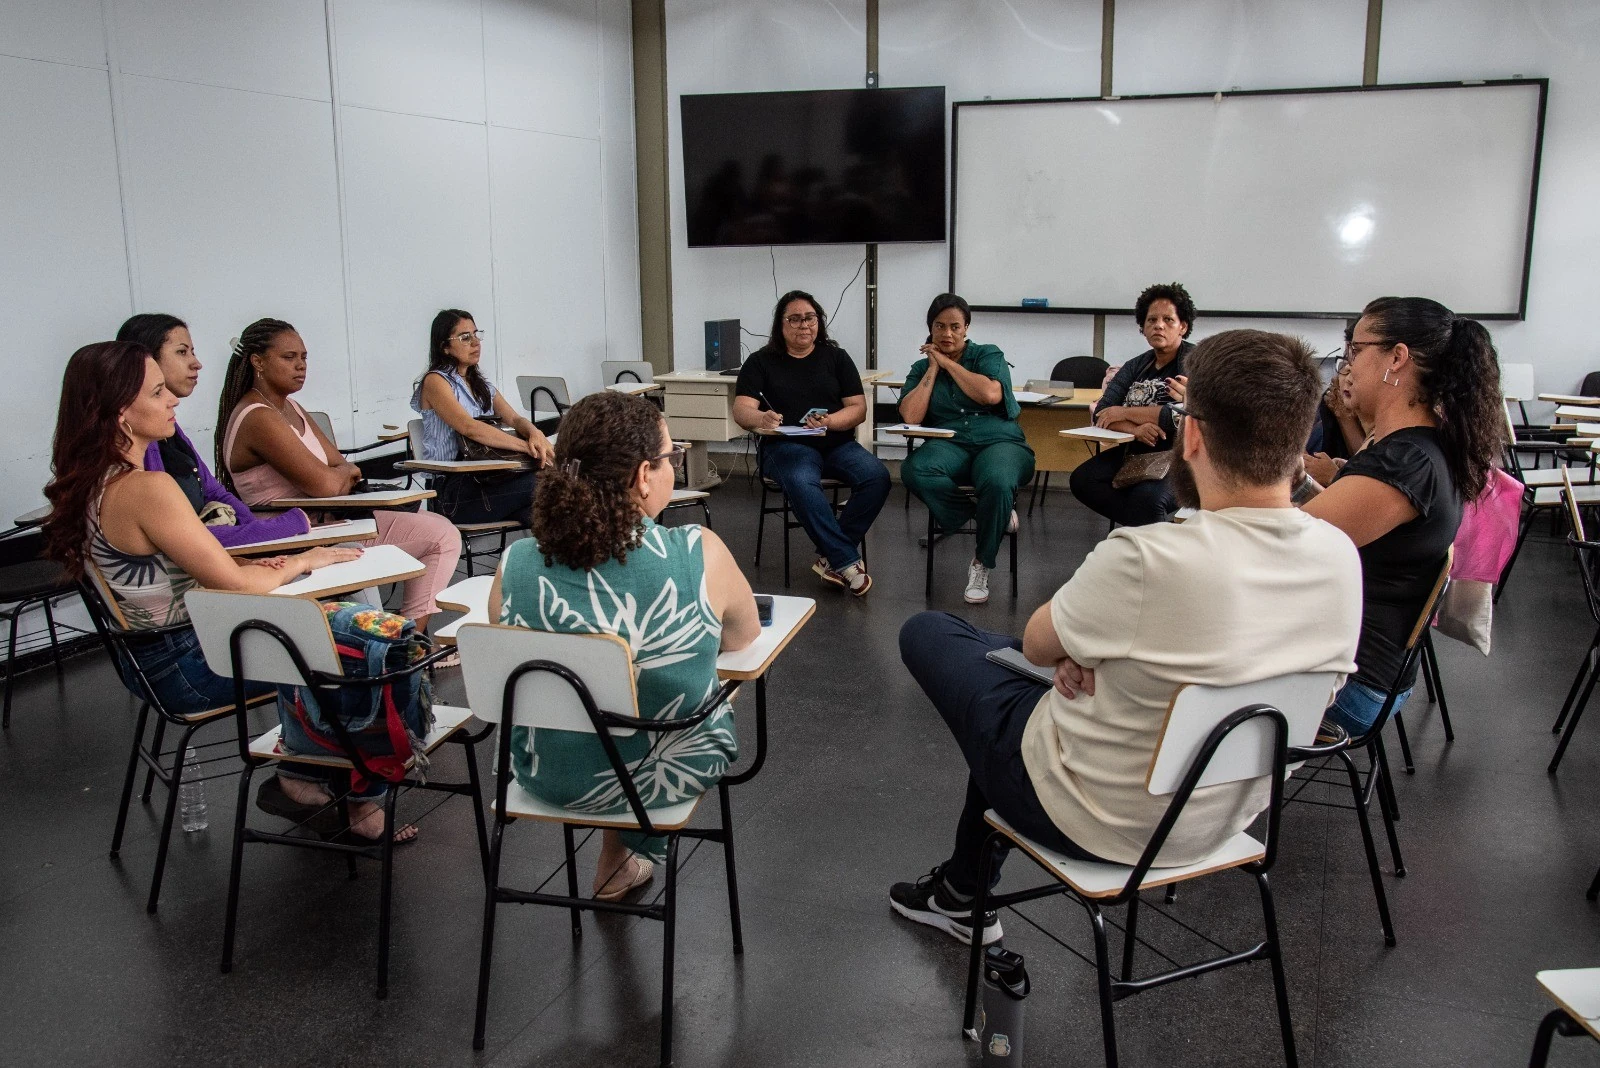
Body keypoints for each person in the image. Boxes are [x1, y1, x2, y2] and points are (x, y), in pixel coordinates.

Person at [889, 329, 1361, 946]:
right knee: (1021, 705)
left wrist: (1084, 657)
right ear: (1300, 442)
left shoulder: (1148, 556)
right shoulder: (1340, 555)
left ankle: (962, 896)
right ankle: (960, 890)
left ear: (1190, 435)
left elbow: (1036, 645)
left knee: (937, 636)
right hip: (1225, 822)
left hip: (1098, 821)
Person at [41, 342, 417, 842]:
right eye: (158, 392)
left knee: (330, 627)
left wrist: (263, 567)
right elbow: (236, 583)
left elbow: (195, 568)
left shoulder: (95, 483)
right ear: (119, 415)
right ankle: (352, 799)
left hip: (150, 664)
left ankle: (305, 775)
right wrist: (303, 560)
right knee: (366, 646)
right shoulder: (146, 489)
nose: (173, 398)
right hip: (191, 665)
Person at [491, 390, 761, 900]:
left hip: (546, 774)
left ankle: (617, 857)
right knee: (718, 686)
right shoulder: (697, 551)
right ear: (642, 475)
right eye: (669, 458)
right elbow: (744, 639)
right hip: (660, 778)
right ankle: (620, 855)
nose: (673, 468)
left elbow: (513, 652)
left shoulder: (517, 563)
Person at [1302, 297, 1503, 739]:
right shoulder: (1414, 450)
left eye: (1355, 350)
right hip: (1365, 670)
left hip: (1352, 689)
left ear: (1397, 357)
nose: (1347, 366)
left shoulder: (1406, 462)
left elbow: (1284, 548)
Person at [216, 318, 461, 632]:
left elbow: (340, 466)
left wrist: (338, 474)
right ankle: (407, 639)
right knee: (442, 537)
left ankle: (404, 633)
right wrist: (339, 475)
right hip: (293, 536)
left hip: (326, 522)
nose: (300, 365)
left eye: (304, 357)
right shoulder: (258, 416)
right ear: (257, 362)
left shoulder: (290, 407)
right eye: (288, 357)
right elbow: (327, 484)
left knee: (440, 526)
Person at [733, 290, 889, 595]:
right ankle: (845, 561)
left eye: (810, 318)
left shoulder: (837, 358)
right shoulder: (760, 362)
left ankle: (831, 555)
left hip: (835, 443)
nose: (803, 325)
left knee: (877, 477)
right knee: (802, 480)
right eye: (794, 319)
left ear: (819, 321)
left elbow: (858, 409)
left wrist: (831, 421)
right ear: (780, 325)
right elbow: (741, 410)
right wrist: (761, 419)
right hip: (784, 447)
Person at [115, 313, 312, 549]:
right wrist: (293, 523)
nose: (196, 363)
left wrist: (258, 535)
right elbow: (187, 541)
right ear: (144, 360)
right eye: (182, 352)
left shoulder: (169, 430)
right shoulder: (139, 450)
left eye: (193, 351)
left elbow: (213, 491)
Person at [898, 293, 1034, 604]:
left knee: (998, 481)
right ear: (930, 328)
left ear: (966, 328)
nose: (946, 334)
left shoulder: (988, 355)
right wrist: (933, 368)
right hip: (951, 443)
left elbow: (989, 394)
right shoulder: (921, 368)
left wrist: (947, 362)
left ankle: (982, 563)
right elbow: (911, 416)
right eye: (939, 326)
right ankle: (993, 519)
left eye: (954, 327)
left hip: (1000, 442)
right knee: (915, 469)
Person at [1069, 282, 1197, 527]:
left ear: (1183, 326)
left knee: (1147, 499)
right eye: (1151, 320)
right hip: (1137, 450)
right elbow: (1102, 412)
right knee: (1083, 480)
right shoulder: (1135, 365)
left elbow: (1176, 417)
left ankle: (1147, 541)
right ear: (1143, 326)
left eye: (1168, 320)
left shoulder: (1196, 362)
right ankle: (1151, 533)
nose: (1158, 325)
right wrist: (1135, 428)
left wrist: (1124, 412)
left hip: (1183, 457)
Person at [411, 308, 553, 526]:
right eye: (465, 337)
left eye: (476, 335)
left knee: (556, 508)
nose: (476, 343)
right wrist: (526, 448)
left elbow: (514, 419)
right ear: (445, 347)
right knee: (548, 484)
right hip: (453, 491)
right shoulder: (436, 382)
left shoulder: (482, 385)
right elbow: (469, 428)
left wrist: (535, 433)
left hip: (491, 480)